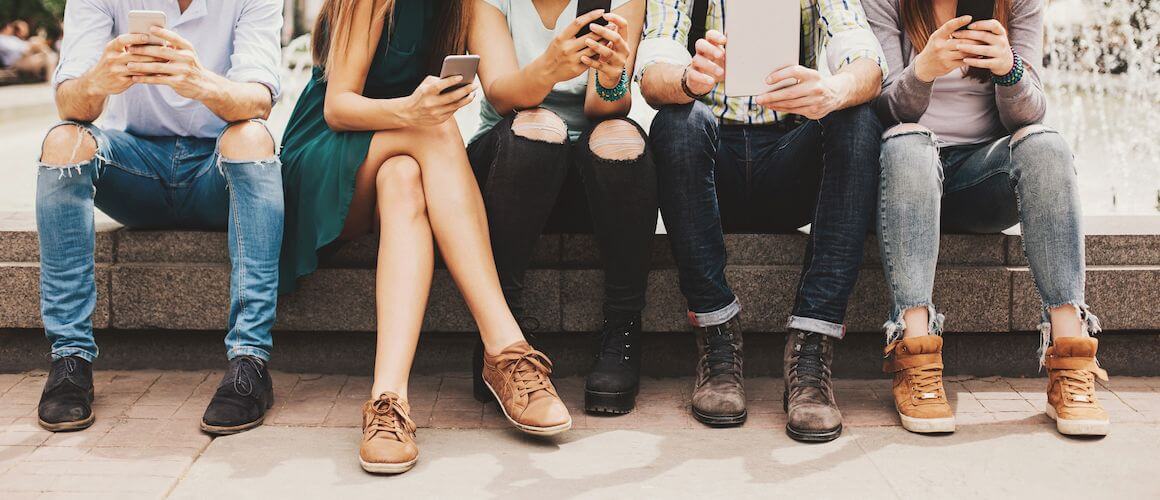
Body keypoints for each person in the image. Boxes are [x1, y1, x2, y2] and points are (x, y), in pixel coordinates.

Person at [279, 0, 571, 474]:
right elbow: (337, 107)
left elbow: (502, 91)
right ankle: (505, 348)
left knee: (403, 180)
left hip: (394, 155)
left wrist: (553, 65)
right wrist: (413, 110)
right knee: (434, 132)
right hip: (323, 153)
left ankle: (387, 402)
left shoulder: (468, 5)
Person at [637, 0, 888, 440]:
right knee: (677, 120)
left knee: (858, 115)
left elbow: (864, 55)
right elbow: (654, 67)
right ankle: (716, 334)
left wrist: (833, 90)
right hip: (712, 169)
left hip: (791, 157)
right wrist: (686, 78)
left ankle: (812, 344)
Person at [34, 1, 284, 435]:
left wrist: (200, 82)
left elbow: (259, 100)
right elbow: (68, 102)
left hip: (215, 172)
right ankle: (69, 360)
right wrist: (97, 81)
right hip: (136, 169)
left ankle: (250, 362)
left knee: (253, 137)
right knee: (62, 143)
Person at [865, 0, 1109, 436]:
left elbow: (1030, 115)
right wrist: (922, 70)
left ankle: (1071, 360)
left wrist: (1009, 70)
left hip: (983, 178)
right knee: (905, 142)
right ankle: (914, 354)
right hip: (906, 182)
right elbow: (881, 109)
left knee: (1047, 145)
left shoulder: (1019, 3)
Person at [466, 0, 655, 414]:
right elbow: (501, 96)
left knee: (621, 136)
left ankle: (622, 329)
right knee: (539, 124)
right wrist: (550, 67)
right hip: (512, 155)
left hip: (588, 170)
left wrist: (609, 79)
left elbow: (604, 108)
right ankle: (501, 336)